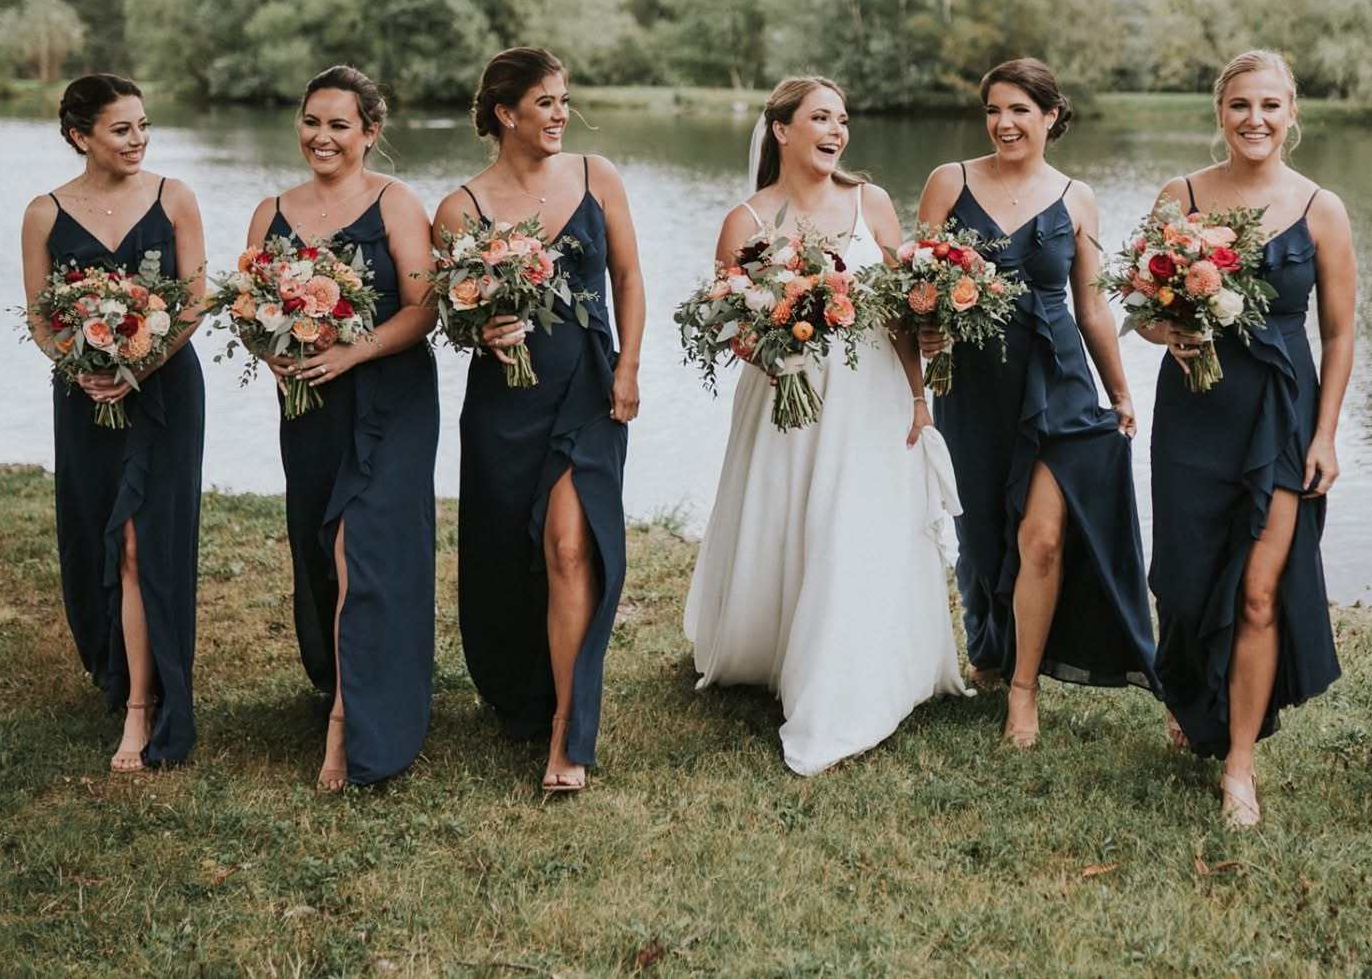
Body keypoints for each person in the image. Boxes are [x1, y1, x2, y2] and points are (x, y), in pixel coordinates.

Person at [684, 76, 966, 775]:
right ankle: (782, 650)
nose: (837, 129)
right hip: (790, 398)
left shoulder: (871, 201)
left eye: (842, 118)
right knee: (794, 523)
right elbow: (726, 323)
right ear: (781, 129)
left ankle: (857, 672)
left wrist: (919, 395)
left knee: (856, 525)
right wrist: (780, 352)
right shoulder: (748, 219)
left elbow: (901, 309)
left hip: (871, 394)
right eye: (820, 117)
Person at [1138, 50, 1356, 826]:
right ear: (1219, 112)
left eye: (1270, 105)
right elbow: (1142, 305)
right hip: (1196, 411)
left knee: (1261, 591)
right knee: (1188, 582)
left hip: (1282, 411)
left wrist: (1326, 432)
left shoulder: (1321, 208)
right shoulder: (1181, 195)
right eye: (1239, 105)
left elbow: (1338, 330)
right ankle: (1191, 689)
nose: (1254, 120)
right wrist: (1163, 326)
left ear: (1293, 112)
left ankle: (1239, 764)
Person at [918, 58, 1158, 748]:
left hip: (1059, 379)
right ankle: (989, 647)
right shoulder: (949, 182)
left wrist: (1119, 392)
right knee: (984, 534)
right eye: (994, 109)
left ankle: (1024, 690)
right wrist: (925, 330)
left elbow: (1092, 305)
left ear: (1052, 116)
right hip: (974, 383)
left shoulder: (1078, 197)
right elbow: (918, 286)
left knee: (1044, 536)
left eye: (1020, 109)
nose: (1004, 123)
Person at [439, 47, 645, 793]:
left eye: (564, 100)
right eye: (547, 102)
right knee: (503, 557)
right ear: (505, 113)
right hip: (504, 401)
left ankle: (568, 725)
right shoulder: (460, 207)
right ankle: (519, 686)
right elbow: (454, 312)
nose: (562, 114)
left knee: (568, 545)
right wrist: (480, 329)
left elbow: (626, 276)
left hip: (588, 385)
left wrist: (628, 366)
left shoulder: (599, 177)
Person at [247, 66, 439, 791]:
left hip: (390, 396)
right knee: (321, 544)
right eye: (311, 122)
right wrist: (274, 354)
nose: (321, 137)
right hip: (312, 405)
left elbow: (425, 309)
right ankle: (341, 678)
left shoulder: (395, 203)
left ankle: (349, 725)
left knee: (368, 544)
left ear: (369, 132)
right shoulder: (271, 211)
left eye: (338, 124)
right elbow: (253, 311)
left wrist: (352, 349)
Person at [18, 74, 204, 771]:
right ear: (80, 136)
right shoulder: (44, 213)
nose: (139, 139)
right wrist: (83, 362)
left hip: (164, 391)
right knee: (97, 530)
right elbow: (40, 316)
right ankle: (116, 664)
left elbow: (192, 301)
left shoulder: (173, 197)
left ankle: (142, 709)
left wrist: (138, 364)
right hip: (86, 394)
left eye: (144, 125)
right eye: (122, 128)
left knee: (141, 540)